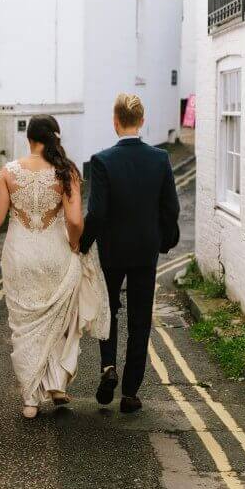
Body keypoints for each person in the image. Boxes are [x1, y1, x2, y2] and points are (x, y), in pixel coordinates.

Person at [0, 115, 110, 419]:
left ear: (29, 139)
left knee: (24, 326)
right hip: (56, 253)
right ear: (54, 138)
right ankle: (56, 384)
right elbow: (76, 220)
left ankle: (30, 399)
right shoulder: (67, 172)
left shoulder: (8, 173)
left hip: (20, 255)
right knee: (59, 320)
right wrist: (75, 243)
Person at [79, 94, 181, 414]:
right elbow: (171, 209)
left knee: (108, 311)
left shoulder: (102, 160)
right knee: (140, 319)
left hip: (111, 251)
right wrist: (164, 242)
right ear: (142, 120)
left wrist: (83, 245)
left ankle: (108, 366)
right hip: (145, 251)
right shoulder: (160, 159)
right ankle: (131, 392)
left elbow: (96, 213)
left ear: (115, 120)